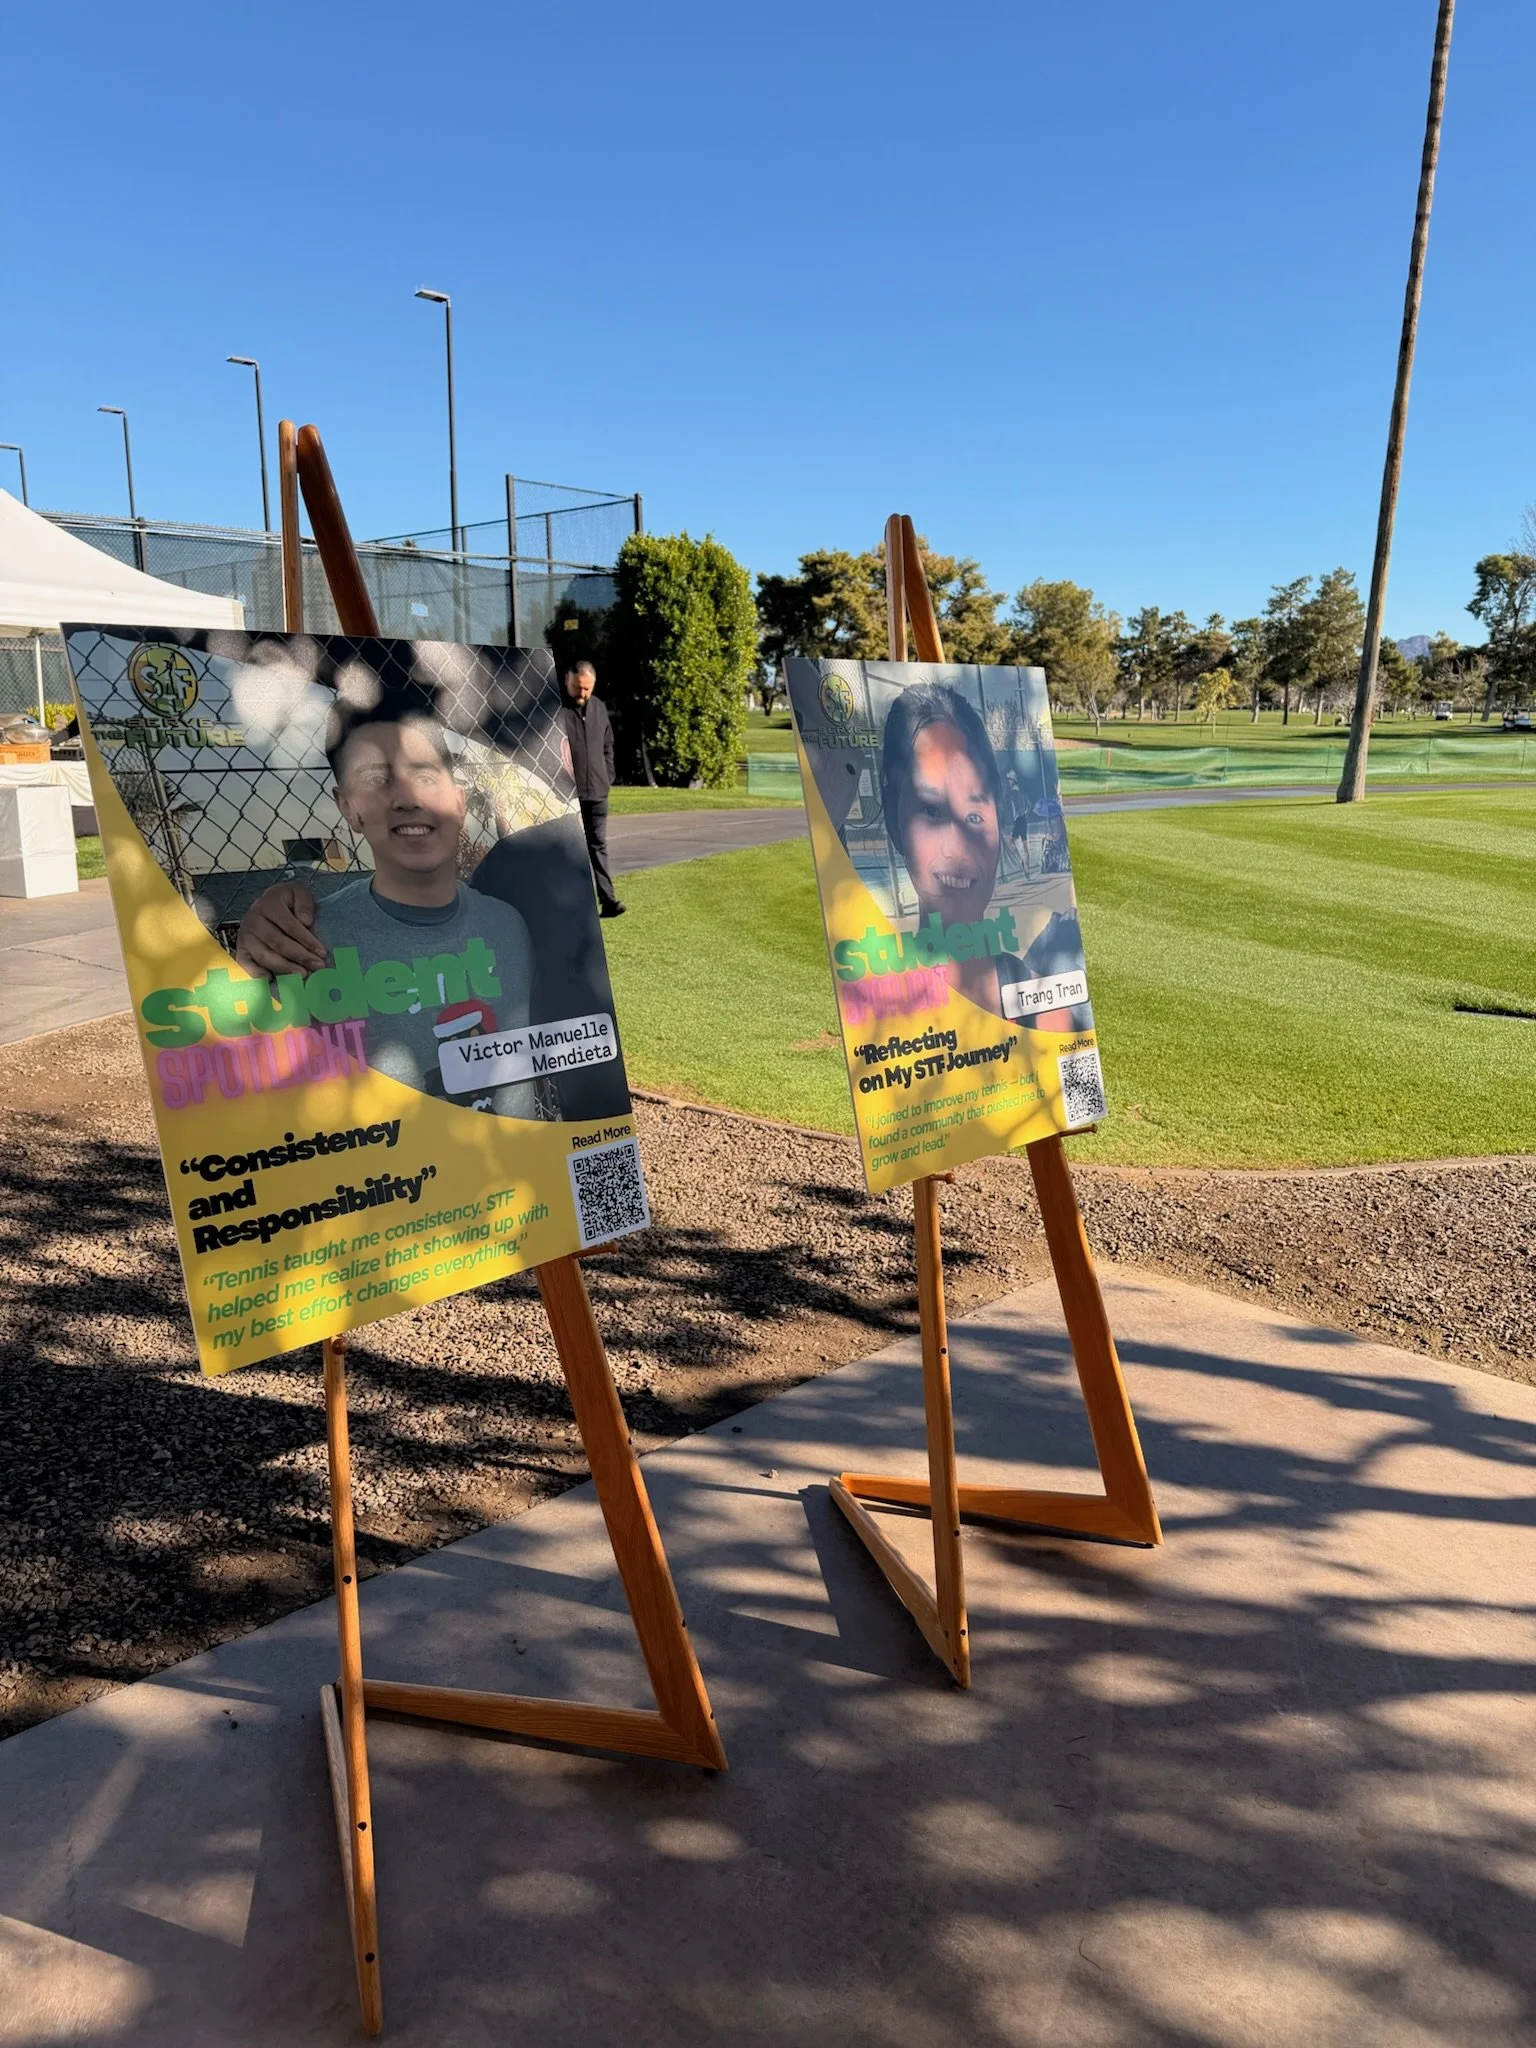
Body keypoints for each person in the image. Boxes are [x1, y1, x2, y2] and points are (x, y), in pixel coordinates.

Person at [276, 699, 538, 1118]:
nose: (407, 798)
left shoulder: (511, 924)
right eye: (377, 779)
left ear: (458, 797)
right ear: (347, 807)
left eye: (424, 774)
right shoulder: (304, 944)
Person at [879, 682, 1092, 1032]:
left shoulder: (1049, 1012)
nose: (956, 847)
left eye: (975, 817)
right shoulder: (879, 1015)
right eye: (932, 811)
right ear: (892, 816)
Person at [561, 660, 624, 918]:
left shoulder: (599, 708)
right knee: (569, 850)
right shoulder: (557, 709)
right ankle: (573, 906)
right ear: (568, 680)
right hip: (567, 793)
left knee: (598, 847)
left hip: (597, 792)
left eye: (587, 689)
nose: (582, 694)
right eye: (578, 688)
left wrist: (607, 777)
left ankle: (608, 900)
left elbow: (608, 746)